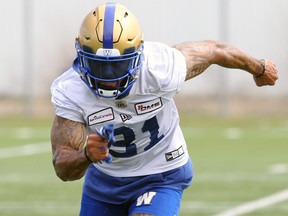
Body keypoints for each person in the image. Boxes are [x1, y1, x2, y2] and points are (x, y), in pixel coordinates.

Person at [50, 2, 278, 216]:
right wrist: (86, 155)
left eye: (118, 65)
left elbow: (215, 50)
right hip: (106, 181)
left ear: (138, 54)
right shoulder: (71, 90)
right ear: (81, 54)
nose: (109, 78)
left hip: (161, 172)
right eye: (99, 65)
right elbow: (62, 166)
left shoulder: (159, 67)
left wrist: (259, 68)